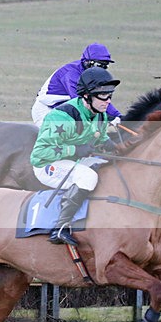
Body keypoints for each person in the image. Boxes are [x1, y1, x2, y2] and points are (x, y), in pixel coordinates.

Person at [30, 67, 120, 245]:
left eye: (110, 95)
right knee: (88, 177)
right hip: (47, 165)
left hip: (75, 162)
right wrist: (74, 150)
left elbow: (100, 138)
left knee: (110, 171)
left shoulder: (100, 116)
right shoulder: (62, 117)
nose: (108, 101)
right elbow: (39, 154)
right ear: (86, 95)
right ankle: (59, 228)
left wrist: (114, 146)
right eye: (103, 96)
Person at [31, 43, 122, 127]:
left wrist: (118, 116)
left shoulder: (92, 75)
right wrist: (108, 118)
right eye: (99, 65)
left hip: (64, 109)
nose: (101, 70)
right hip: (46, 109)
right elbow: (81, 102)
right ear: (87, 62)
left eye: (105, 66)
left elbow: (102, 99)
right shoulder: (72, 74)